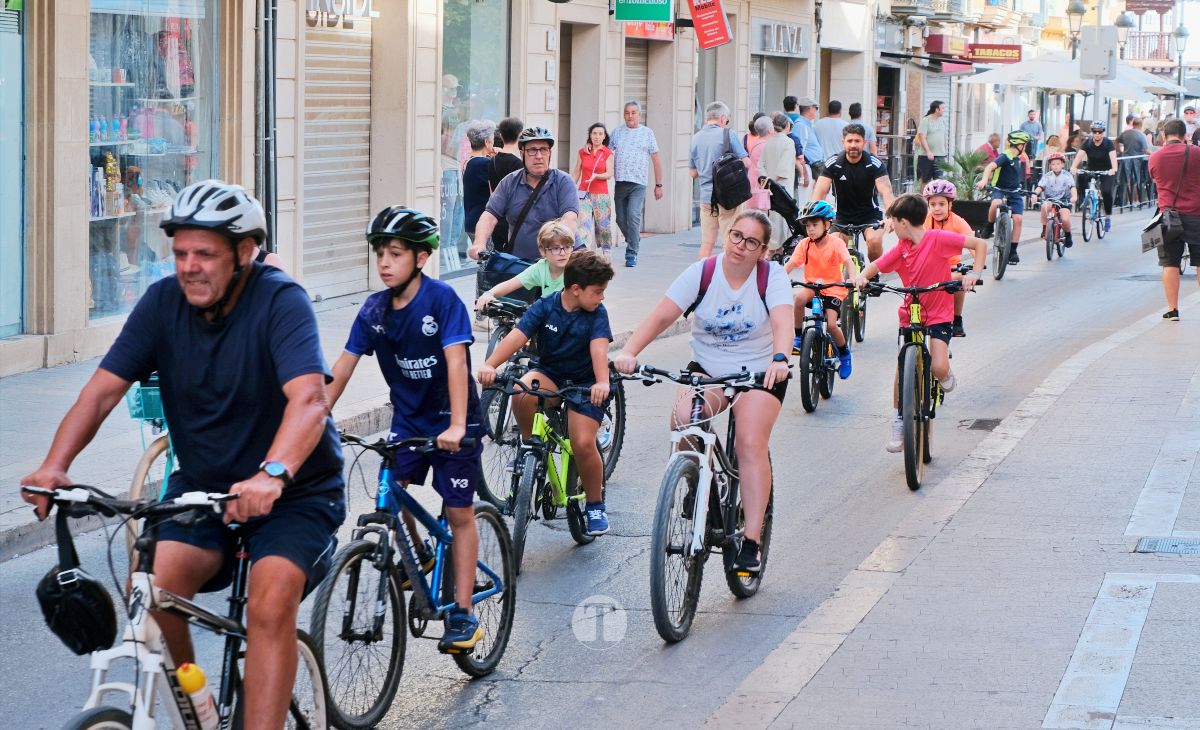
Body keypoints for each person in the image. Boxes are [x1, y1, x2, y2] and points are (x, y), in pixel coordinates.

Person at [21, 180, 345, 728]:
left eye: (205, 254)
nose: (189, 266)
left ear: (245, 252)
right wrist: (56, 465)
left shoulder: (280, 300)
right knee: (150, 590)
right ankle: (198, 707)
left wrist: (272, 472)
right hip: (202, 487)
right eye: (180, 253)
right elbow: (101, 391)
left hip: (294, 491)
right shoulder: (162, 302)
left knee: (270, 603)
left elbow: (309, 400)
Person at [328, 205, 484, 652]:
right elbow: (342, 367)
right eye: (380, 253)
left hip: (455, 420)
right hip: (410, 421)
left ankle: (463, 613)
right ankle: (422, 555)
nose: (384, 262)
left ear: (419, 258)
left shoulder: (441, 301)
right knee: (388, 494)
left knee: (458, 512)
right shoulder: (375, 309)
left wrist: (457, 424)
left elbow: (456, 363)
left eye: (394, 253)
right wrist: (314, 418)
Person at [613, 211, 793, 572]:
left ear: (763, 250)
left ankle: (752, 542)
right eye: (736, 235)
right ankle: (704, 488)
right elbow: (663, 315)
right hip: (708, 368)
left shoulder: (770, 276)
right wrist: (630, 352)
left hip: (759, 371)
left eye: (751, 241)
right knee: (684, 423)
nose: (740, 245)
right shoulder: (703, 272)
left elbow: (782, 319)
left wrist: (780, 357)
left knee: (749, 442)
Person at [476, 251, 616, 534]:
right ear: (575, 289)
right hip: (551, 373)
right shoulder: (546, 305)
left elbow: (599, 350)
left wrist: (602, 382)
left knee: (582, 442)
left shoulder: (597, 313)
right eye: (598, 291)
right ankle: (530, 447)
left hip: (586, 382)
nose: (601, 297)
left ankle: (595, 504)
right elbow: (518, 336)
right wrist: (490, 364)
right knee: (521, 389)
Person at [853, 194, 986, 452]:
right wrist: (861, 277)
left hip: (938, 313)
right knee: (903, 364)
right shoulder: (902, 248)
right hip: (911, 312)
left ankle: (944, 375)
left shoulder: (938, 239)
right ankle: (899, 422)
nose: (891, 226)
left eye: (893, 220)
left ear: (902, 223)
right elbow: (876, 266)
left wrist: (975, 274)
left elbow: (979, 244)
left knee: (938, 366)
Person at [469, 127, 579, 263]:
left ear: (549, 153)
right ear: (522, 154)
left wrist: (557, 247)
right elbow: (489, 216)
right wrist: (479, 243)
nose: (539, 156)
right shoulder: (509, 182)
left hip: (557, 264)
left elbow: (569, 219)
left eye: (543, 150)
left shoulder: (563, 181)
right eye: (532, 150)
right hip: (520, 266)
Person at [783, 200, 853, 378]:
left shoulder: (836, 243)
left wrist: (853, 278)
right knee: (798, 300)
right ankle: (798, 337)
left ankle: (845, 354)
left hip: (833, 289)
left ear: (827, 224)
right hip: (812, 286)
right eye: (807, 226)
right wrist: (778, 277)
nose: (811, 229)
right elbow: (791, 264)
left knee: (831, 325)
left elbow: (848, 261)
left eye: (815, 224)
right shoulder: (804, 244)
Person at [810, 123, 895, 261]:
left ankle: (873, 275)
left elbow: (887, 192)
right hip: (841, 215)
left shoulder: (874, 164)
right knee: (834, 245)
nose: (853, 145)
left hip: (870, 215)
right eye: (849, 141)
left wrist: (892, 216)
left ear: (864, 142)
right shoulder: (834, 163)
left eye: (857, 141)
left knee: (874, 241)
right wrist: (815, 217)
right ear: (843, 142)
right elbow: (820, 192)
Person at [1147, 119, 1200, 321]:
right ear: (1185, 135)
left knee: (1169, 263)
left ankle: (1173, 310)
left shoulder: (1156, 157)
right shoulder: (1197, 153)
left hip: (1169, 216)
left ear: (1163, 136)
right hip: (1197, 214)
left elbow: (1155, 179)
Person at [690, 101, 750, 259]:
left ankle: (701, 277)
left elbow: (693, 173)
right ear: (723, 118)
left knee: (707, 243)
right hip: (728, 197)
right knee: (729, 240)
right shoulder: (728, 134)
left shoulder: (696, 138)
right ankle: (725, 277)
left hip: (705, 198)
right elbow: (746, 162)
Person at [609, 100, 663, 268]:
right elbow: (606, 153)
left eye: (633, 112)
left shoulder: (647, 133)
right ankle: (634, 238)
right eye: (627, 112)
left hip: (638, 183)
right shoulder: (617, 132)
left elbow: (656, 159)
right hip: (621, 182)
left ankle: (632, 253)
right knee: (620, 219)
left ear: (639, 114)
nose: (630, 116)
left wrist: (659, 185)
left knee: (633, 216)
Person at [475, 219, 572, 311]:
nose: (563, 253)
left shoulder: (576, 267)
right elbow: (511, 284)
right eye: (555, 248)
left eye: (567, 247)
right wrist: (489, 293)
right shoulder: (541, 268)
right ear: (543, 250)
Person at [921, 179, 974, 338]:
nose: (937, 209)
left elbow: (975, 246)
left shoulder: (958, 222)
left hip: (951, 268)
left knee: (958, 278)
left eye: (942, 204)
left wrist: (976, 271)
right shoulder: (923, 220)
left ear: (950, 205)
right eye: (933, 204)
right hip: (927, 268)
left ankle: (957, 319)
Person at [977, 130, 1031, 264]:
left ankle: (1013, 251)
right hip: (1000, 189)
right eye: (1025, 144)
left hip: (1015, 191)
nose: (1025, 147)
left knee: (1018, 219)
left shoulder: (1020, 157)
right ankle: (989, 226)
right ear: (1019, 145)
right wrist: (984, 180)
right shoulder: (1005, 156)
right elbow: (990, 167)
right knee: (995, 203)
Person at [572, 122, 615, 258]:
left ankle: (606, 253)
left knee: (603, 226)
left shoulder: (607, 153)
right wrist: (569, 187)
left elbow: (609, 173)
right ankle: (584, 255)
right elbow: (576, 173)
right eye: (594, 133)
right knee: (583, 225)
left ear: (604, 137)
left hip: (601, 195)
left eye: (600, 134)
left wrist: (597, 176)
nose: (597, 136)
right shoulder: (582, 152)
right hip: (583, 194)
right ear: (590, 136)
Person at [1069, 121, 1117, 230]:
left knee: (1106, 191)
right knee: (1081, 176)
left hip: (1107, 170)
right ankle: (1085, 199)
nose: (1097, 134)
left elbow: (1113, 159)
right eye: (1095, 132)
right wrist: (1073, 167)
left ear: (1103, 132)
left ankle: (1108, 217)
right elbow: (1079, 156)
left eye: (1100, 132)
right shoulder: (1088, 143)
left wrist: (1113, 169)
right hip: (1092, 168)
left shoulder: (1108, 143)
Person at [762, 113, 800, 247]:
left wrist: (767, 182)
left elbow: (760, 165)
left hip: (769, 186)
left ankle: (772, 247)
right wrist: (774, 181)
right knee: (783, 217)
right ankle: (779, 248)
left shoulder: (768, 141)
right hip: (782, 185)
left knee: (773, 216)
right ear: (787, 125)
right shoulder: (789, 142)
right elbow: (783, 169)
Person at [488, 116, 525, 248]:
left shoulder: (492, 161)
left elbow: (491, 191)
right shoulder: (520, 164)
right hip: (514, 221)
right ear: (520, 134)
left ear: (501, 136)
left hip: (497, 218)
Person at [1032, 152, 1078, 252]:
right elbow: (1040, 187)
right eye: (1053, 164)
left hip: (1064, 201)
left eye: (1058, 163)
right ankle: (1045, 228)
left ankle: (1067, 235)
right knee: (1045, 206)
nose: (1055, 166)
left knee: (1065, 218)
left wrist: (1074, 196)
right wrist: (1035, 194)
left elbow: (1072, 187)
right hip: (1050, 200)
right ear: (1050, 165)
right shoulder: (1047, 176)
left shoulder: (1067, 175)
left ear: (1062, 164)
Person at [463, 120, 497, 243]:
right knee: (489, 261)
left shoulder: (470, 161)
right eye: (492, 139)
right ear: (486, 142)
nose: (494, 142)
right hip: (482, 222)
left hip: (472, 220)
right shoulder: (484, 164)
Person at [1117, 117, 1151, 206]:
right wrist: (1154, 155)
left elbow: (1116, 141)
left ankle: (1127, 201)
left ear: (1133, 124)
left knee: (1126, 180)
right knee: (1136, 180)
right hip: (1136, 160)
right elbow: (1146, 150)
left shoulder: (1125, 133)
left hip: (1125, 159)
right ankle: (1135, 201)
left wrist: (1119, 151)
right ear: (1140, 125)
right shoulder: (1141, 135)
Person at [915, 101, 949, 184]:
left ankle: (936, 197)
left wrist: (945, 151)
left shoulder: (943, 121)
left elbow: (944, 137)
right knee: (925, 180)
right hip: (926, 156)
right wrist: (928, 152)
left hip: (940, 156)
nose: (944, 110)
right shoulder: (926, 120)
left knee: (939, 181)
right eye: (942, 108)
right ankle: (924, 197)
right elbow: (922, 137)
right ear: (937, 109)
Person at [796, 97, 826, 176]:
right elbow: (799, 153)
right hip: (810, 169)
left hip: (815, 167)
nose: (816, 111)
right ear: (810, 108)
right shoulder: (800, 126)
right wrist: (804, 174)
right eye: (816, 108)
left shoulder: (806, 124)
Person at [813, 100, 848, 165]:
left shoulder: (817, 124)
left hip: (822, 164)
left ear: (828, 110)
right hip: (840, 164)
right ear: (840, 111)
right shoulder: (847, 126)